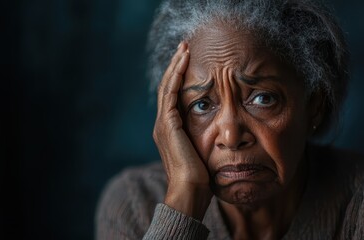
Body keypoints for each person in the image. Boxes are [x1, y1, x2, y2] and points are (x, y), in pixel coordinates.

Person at [96, 0, 364, 239]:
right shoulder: (134, 205)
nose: (230, 137)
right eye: (202, 105)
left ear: (314, 106)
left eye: (262, 99)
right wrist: (183, 205)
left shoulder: (356, 202)